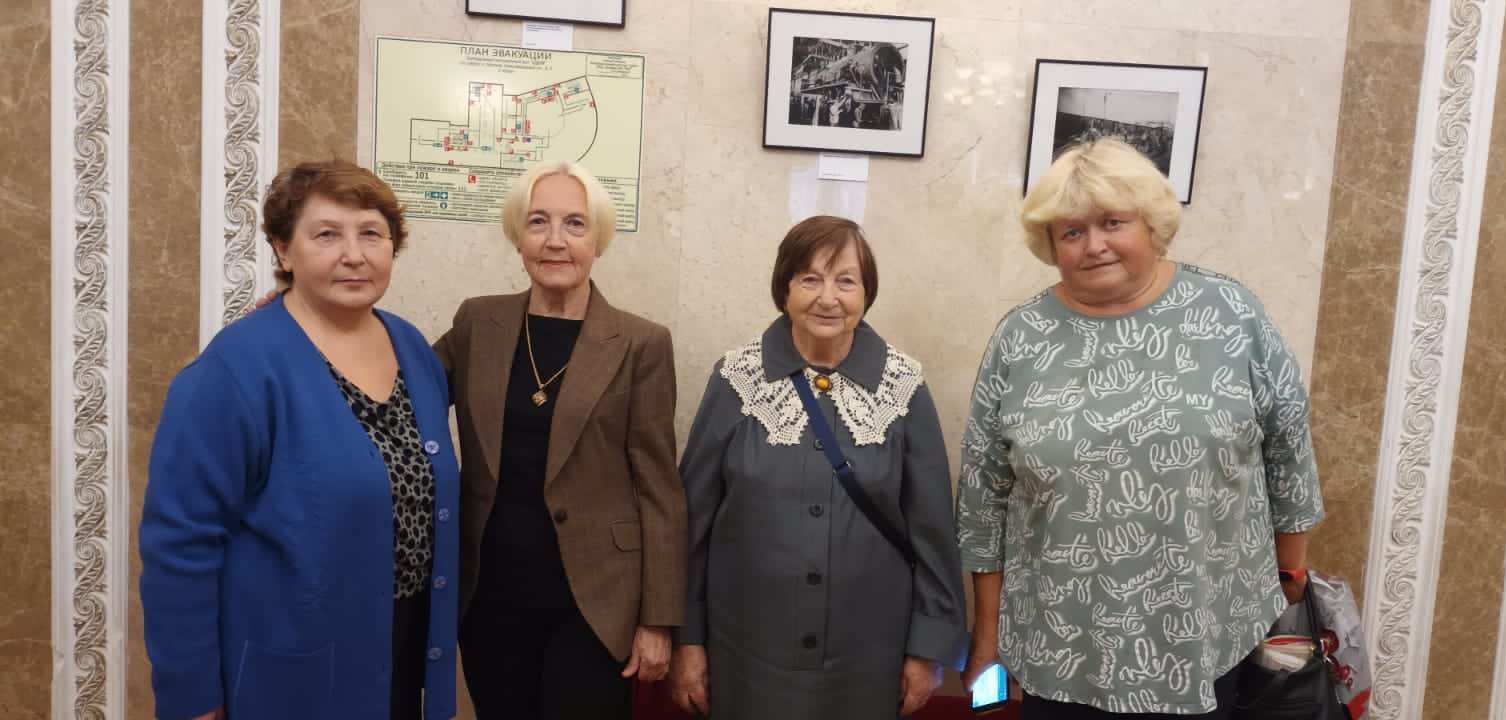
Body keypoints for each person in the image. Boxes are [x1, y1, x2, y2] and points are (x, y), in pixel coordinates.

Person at [957, 138, 1325, 719]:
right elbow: (984, 499)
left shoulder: (1231, 315)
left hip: (1207, 632)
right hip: (1058, 639)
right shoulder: (1020, 337)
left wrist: (1289, 571)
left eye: (1112, 222)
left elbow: (1290, 450)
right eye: (1071, 231)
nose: (1094, 245)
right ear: (1050, 244)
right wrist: (986, 634)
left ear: (1151, 223)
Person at [140, 160, 460, 720]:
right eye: (327, 234)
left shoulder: (411, 347)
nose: (354, 254)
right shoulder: (236, 368)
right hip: (294, 670)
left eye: (371, 234)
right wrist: (191, 695)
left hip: (404, 650)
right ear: (283, 250)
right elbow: (180, 543)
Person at [668, 216, 968, 719]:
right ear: (784, 289)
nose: (828, 298)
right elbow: (690, 523)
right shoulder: (736, 380)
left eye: (845, 281)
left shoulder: (904, 387)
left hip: (870, 657)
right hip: (745, 654)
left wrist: (928, 649)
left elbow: (933, 528)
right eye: (810, 279)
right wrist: (687, 640)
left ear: (866, 294)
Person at [435, 160, 684, 719]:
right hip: (492, 595)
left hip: (597, 601)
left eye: (574, 224)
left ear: (597, 239)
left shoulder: (641, 343)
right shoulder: (479, 323)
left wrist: (659, 620)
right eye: (538, 222)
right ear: (517, 236)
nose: (555, 240)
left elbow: (660, 489)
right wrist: (314, 327)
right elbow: (401, 384)